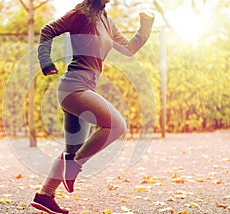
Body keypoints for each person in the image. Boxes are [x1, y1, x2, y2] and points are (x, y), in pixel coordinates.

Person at [30, 0, 154, 213]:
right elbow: (47, 30)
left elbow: (127, 49)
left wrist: (145, 25)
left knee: (72, 150)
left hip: (84, 87)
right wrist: (46, 62)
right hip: (74, 88)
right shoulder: (81, 14)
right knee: (117, 125)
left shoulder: (106, 21)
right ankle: (74, 167)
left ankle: (44, 195)